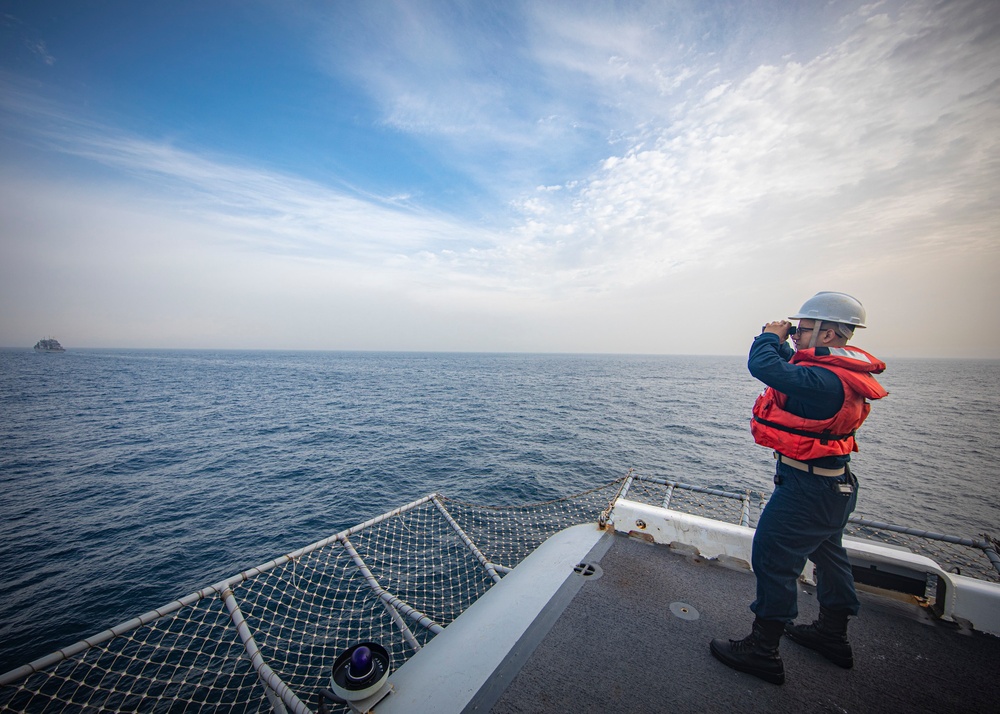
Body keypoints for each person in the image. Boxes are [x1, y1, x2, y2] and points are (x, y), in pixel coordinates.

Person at [710, 291, 888, 685]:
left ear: (828, 333)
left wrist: (770, 336)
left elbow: (765, 366)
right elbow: (793, 369)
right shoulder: (833, 374)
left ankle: (762, 650)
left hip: (806, 490)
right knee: (830, 555)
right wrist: (788, 341)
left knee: (774, 559)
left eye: (803, 329)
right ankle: (831, 634)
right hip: (834, 486)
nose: (795, 335)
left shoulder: (822, 381)